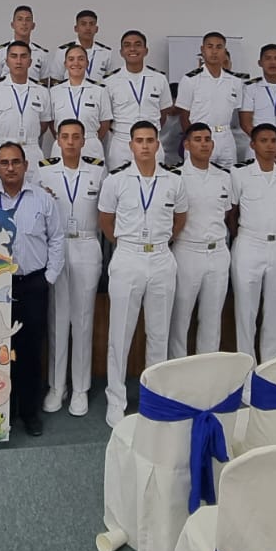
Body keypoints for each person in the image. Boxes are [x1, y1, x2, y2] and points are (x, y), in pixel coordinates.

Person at [98, 121, 188, 427]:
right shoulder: (116, 181)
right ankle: (116, 399)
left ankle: (155, 397)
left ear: (158, 144)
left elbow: (180, 217)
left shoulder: (173, 181)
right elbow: (106, 221)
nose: (146, 146)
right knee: (119, 334)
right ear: (131, 145)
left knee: (159, 333)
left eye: (151, 140)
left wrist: (159, 242)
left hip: (162, 257)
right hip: (128, 256)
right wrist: (128, 244)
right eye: (140, 140)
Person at [0, 142, 64, 436]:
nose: (10, 168)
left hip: (32, 283)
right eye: (4, 163)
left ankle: (29, 412)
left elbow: (56, 239)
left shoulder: (42, 199)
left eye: (16, 162)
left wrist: (49, 278)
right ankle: (2, 409)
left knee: (30, 351)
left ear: (26, 165)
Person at [36, 120, 105, 416]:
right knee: (57, 318)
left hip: (87, 244)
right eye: (65, 137)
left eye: (76, 137)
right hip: (56, 244)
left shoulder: (98, 169)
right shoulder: (43, 169)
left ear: (84, 139)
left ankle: (80, 388)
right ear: (57, 140)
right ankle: (56, 386)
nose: (71, 142)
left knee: (84, 319)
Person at [231, 124, 276, 360]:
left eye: (273, 141)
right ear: (253, 144)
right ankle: (246, 368)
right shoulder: (239, 174)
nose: (270, 145)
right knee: (246, 311)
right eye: (264, 141)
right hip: (249, 243)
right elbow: (232, 212)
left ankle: (271, 366)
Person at [169, 123, 234, 357]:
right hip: (188, 251)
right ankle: (176, 373)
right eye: (197, 139)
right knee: (180, 318)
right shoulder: (175, 176)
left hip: (217, 252)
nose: (204, 143)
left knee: (212, 318)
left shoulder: (224, 177)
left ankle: (207, 376)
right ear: (187, 145)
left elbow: (227, 213)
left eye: (207, 139)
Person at [104, 30, 174, 169]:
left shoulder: (159, 79)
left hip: (151, 141)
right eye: (127, 45)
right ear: (121, 51)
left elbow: (164, 112)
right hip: (122, 142)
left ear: (145, 50)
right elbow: (106, 117)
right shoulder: (109, 81)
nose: (132, 49)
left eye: (137, 44)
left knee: (155, 183)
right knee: (120, 185)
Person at [176, 32, 247, 166]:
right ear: (202, 50)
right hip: (199, 137)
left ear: (224, 51)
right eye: (210, 47)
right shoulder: (190, 80)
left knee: (229, 179)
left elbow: (237, 113)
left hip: (226, 136)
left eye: (219, 47)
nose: (214, 51)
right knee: (198, 178)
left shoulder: (235, 81)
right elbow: (184, 115)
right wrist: (193, 139)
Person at [0, 41, 53, 165]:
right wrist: (1, 140)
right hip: (2, 148)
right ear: (7, 61)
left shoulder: (42, 91)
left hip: (31, 150)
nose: (19, 61)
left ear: (30, 62)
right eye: (14, 56)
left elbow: (44, 123)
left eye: (23, 56)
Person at [47, 44, 113, 162]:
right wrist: (63, 137)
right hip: (62, 145)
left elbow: (105, 123)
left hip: (90, 145)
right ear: (65, 64)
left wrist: (89, 138)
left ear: (87, 63)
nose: (76, 63)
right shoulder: (54, 91)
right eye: (71, 59)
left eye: (81, 59)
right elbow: (51, 122)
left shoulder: (100, 90)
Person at [48, 9, 118, 83]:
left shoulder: (106, 53)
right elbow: (55, 80)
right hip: (70, 93)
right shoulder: (63, 51)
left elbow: (112, 81)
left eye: (91, 24)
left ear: (96, 29)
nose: (88, 28)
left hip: (99, 94)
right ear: (76, 28)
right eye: (83, 24)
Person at [0, 5, 50, 83]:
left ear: (33, 26)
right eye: (20, 19)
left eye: (28, 20)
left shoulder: (42, 54)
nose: (24, 23)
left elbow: (43, 84)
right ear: (12, 24)